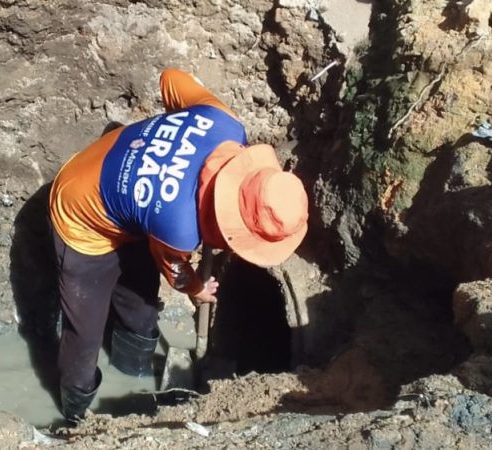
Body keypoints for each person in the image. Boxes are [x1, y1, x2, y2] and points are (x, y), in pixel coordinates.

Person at [48, 68, 309, 421]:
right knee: (84, 333)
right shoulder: (180, 228)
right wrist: (197, 290)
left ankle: (135, 373)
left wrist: (174, 149)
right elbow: (177, 273)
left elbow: (170, 77)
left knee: (139, 305)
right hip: (80, 213)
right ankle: (75, 415)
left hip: (132, 199)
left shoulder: (223, 122)